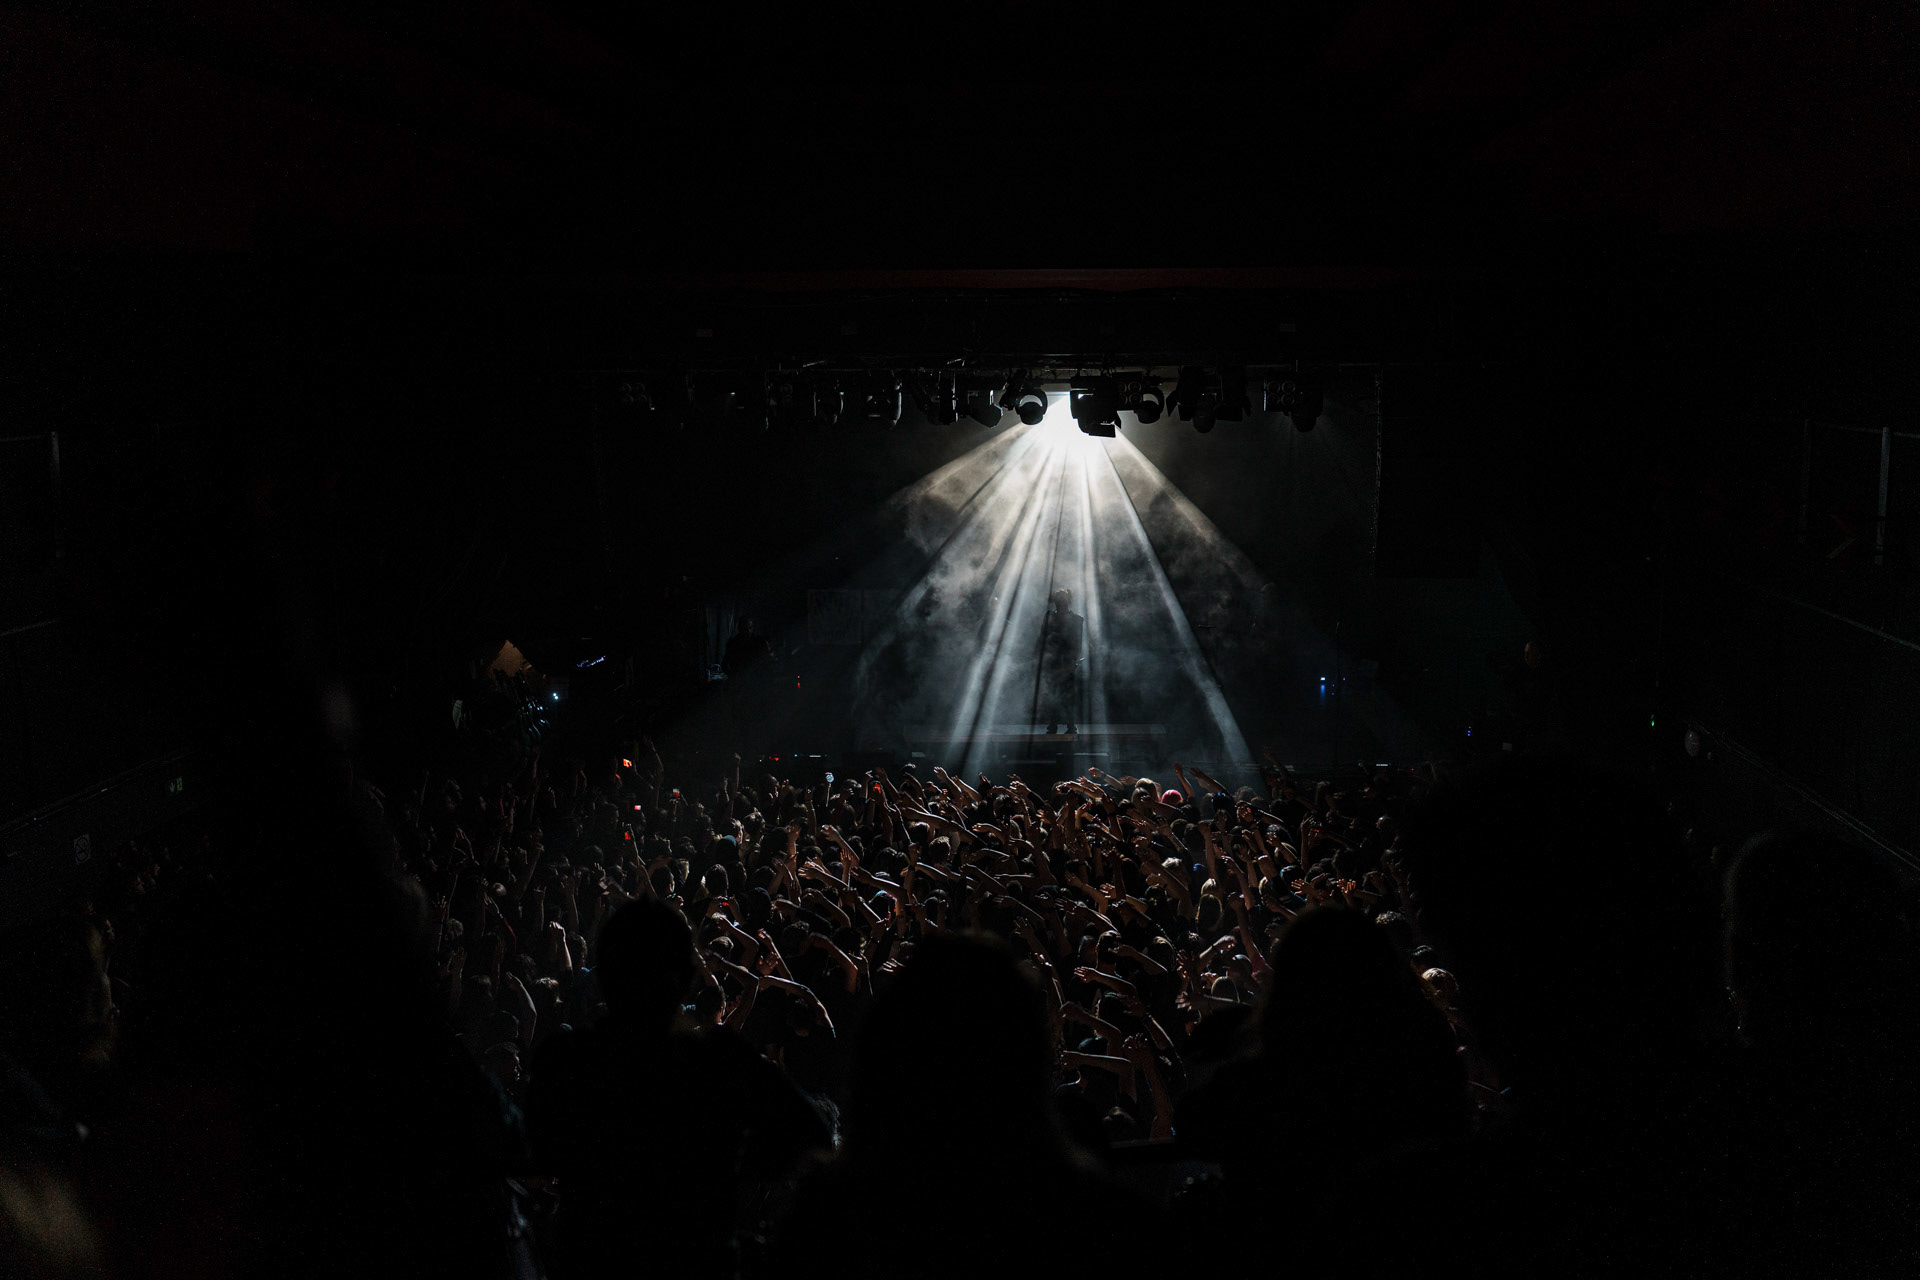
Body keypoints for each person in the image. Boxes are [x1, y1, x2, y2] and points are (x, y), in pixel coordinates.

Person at [526, 899, 828, 1280]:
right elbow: (812, 1135)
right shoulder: (718, 1058)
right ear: (682, 977)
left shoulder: (566, 1060)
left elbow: (536, 1160)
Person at [1036, 588, 1085, 734]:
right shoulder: (1050, 618)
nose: (1061, 604)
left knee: (1068, 696)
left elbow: (1077, 642)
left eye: (1063, 601)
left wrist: (1073, 660)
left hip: (1067, 662)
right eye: (1059, 601)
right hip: (1053, 661)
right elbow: (1043, 639)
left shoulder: (1076, 619)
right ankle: (1054, 725)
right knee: (1052, 694)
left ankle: (1070, 725)